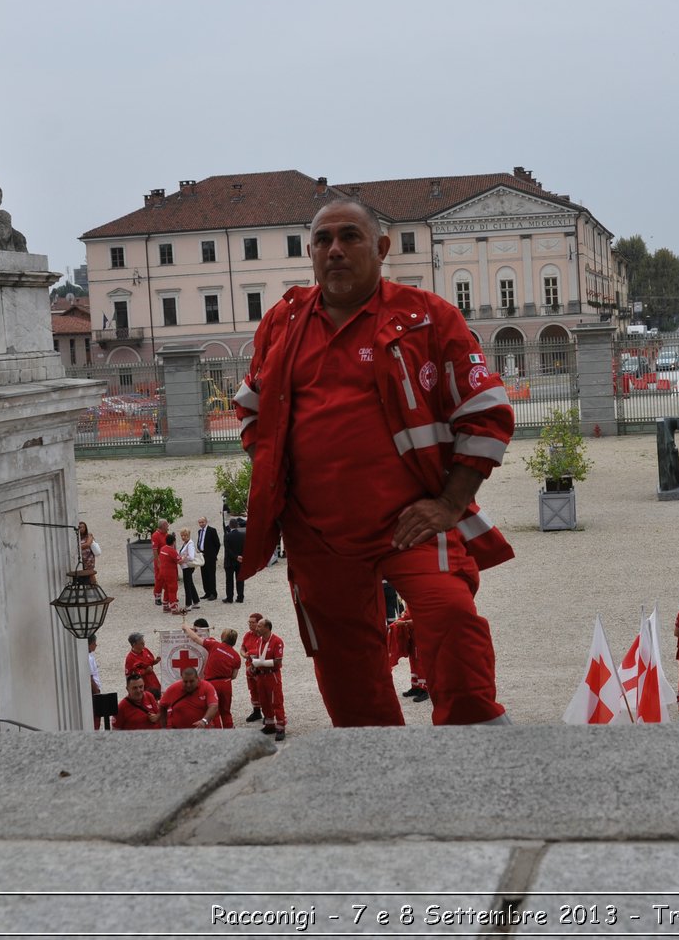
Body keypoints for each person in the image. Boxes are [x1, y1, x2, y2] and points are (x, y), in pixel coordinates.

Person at [233, 198, 514, 728]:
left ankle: (477, 741)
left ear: (382, 248)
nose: (335, 249)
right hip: (318, 535)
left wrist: (450, 503)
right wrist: (277, 478)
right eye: (322, 240)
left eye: (350, 237)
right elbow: (251, 409)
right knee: (343, 664)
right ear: (311, 252)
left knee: (451, 616)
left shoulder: (428, 317)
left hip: (410, 522)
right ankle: (376, 770)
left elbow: (488, 413)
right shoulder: (283, 322)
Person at [187, 617, 241, 728]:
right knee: (226, 711)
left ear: (223, 637)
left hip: (212, 683)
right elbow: (234, 676)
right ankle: (230, 732)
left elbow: (195, 638)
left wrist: (185, 627)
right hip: (226, 684)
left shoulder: (215, 645)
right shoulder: (236, 656)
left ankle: (217, 735)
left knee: (214, 710)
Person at [248, 617, 287, 740]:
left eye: (259, 626)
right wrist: (254, 667)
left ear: (267, 628)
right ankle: (270, 725)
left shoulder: (277, 641)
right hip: (261, 675)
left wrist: (259, 663)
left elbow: (278, 661)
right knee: (264, 701)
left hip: (272, 675)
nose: (257, 628)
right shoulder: (260, 641)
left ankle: (281, 726)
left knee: (276, 701)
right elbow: (260, 658)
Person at [160, 661, 219, 729]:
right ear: (182, 679)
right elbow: (162, 706)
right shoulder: (173, 688)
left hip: (201, 731)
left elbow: (214, 706)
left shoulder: (207, 687)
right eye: (185, 681)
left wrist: (204, 721)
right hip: (178, 733)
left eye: (191, 681)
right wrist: (164, 728)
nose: (188, 685)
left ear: (197, 678)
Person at [387, 606, 429, 703]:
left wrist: (404, 623)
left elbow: (421, 620)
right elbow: (407, 614)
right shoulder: (412, 600)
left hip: (421, 635)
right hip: (412, 635)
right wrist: (398, 622)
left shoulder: (421, 600)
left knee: (420, 662)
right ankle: (415, 686)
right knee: (413, 660)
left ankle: (424, 689)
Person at [240, 611, 265, 722]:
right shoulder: (247, 635)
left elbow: (262, 651)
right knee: (253, 690)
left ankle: (268, 714)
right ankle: (256, 711)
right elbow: (242, 648)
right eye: (249, 622)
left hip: (260, 669)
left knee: (263, 691)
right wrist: (244, 654)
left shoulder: (264, 636)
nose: (250, 625)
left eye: (252, 623)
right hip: (249, 668)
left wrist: (249, 653)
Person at [124, 632, 162, 698]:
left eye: (143, 641)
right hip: (142, 688)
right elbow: (130, 676)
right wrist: (145, 672)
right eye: (141, 642)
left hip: (153, 683)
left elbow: (150, 662)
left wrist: (155, 661)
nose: (143, 643)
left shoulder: (145, 650)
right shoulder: (130, 658)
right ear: (134, 644)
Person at [154, 530, 181, 613]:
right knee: (173, 589)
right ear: (173, 542)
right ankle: (174, 607)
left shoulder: (163, 548)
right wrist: (185, 558)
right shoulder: (172, 551)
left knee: (166, 588)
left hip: (162, 572)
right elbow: (179, 560)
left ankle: (165, 606)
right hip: (170, 573)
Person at [197, 516, 221, 603]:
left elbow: (217, 544)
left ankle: (213, 593)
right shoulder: (200, 531)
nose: (201, 524)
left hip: (210, 556)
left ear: (206, 522)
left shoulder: (212, 530)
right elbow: (200, 541)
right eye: (200, 522)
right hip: (202, 555)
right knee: (204, 574)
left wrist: (214, 555)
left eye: (202, 522)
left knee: (211, 575)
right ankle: (207, 592)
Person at [223, 516, 246, 603]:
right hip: (241, 560)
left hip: (230, 561)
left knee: (229, 581)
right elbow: (245, 547)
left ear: (230, 526)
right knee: (240, 579)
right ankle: (240, 597)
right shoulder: (243, 535)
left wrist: (235, 556)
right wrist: (241, 556)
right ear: (237, 525)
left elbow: (227, 550)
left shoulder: (227, 536)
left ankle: (229, 597)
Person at [177, 528, 200, 611]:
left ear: (188, 535)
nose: (183, 537)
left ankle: (189, 604)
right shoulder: (186, 543)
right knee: (190, 584)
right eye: (182, 535)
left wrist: (182, 559)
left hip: (187, 567)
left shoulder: (190, 544)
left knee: (187, 585)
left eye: (185, 535)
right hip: (185, 567)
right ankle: (196, 601)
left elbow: (191, 557)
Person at [150, 518, 171, 607]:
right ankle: (157, 597)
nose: (168, 526)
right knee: (159, 579)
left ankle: (168, 596)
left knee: (167, 579)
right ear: (163, 526)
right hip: (160, 560)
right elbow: (155, 550)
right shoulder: (156, 535)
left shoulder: (166, 534)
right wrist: (158, 562)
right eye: (167, 525)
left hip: (166, 561)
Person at [88, 634, 104, 730]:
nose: (96, 645)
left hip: (95, 691)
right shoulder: (88, 658)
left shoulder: (90, 656)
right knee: (95, 717)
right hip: (94, 692)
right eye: (94, 643)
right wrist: (96, 691)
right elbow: (90, 677)